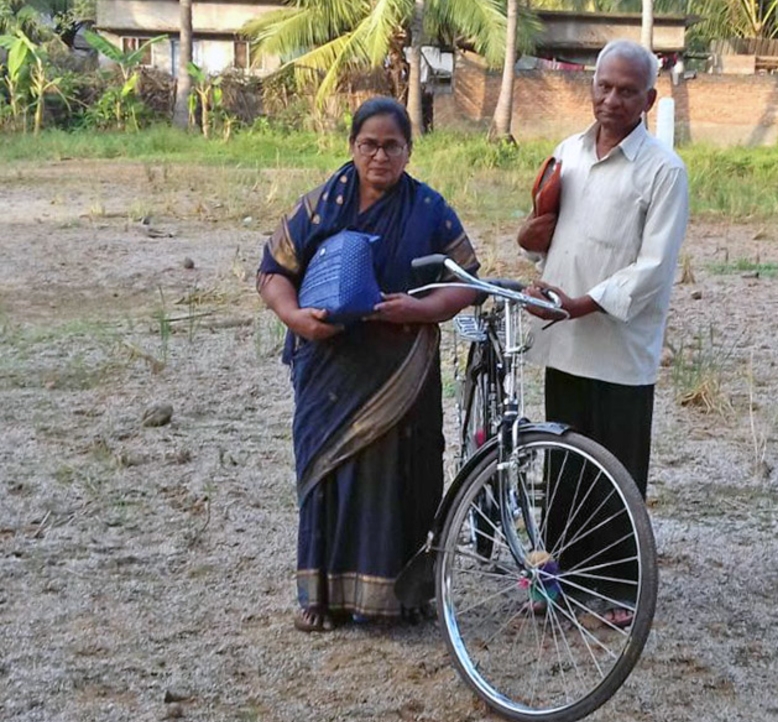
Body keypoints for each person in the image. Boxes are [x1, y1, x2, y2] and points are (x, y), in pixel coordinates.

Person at [257, 97, 478, 632]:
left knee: (406, 474)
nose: (379, 156)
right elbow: (272, 272)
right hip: (328, 367)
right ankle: (323, 594)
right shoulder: (318, 207)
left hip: (401, 367)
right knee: (327, 473)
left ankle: (404, 596)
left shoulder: (429, 209)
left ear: (409, 149)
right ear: (352, 147)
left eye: (391, 146)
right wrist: (296, 319)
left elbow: (466, 282)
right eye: (368, 145)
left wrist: (421, 308)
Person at [522, 39, 689, 625]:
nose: (612, 99)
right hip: (563, 337)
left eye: (626, 91)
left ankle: (618, 589)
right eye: (604, 86)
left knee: (616, 467)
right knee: (563, 462)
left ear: (648, 99)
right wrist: (536, 247)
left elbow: (652, 269)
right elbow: (553, 235)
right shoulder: (567, 152)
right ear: (590, 86)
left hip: (618, 345)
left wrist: (582, 303)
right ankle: (558, 577)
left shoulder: (664, 171)